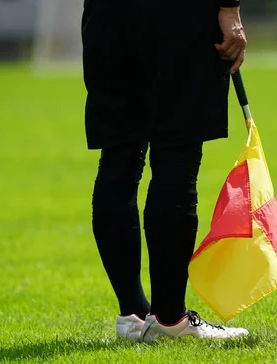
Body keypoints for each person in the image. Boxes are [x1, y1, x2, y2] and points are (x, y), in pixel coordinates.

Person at [82, 0, 249, 343]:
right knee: (177, 160)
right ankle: (171, 321)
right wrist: (229, 7)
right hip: (176, 15)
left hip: (107, 16)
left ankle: (133, 315)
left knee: (119, 159)